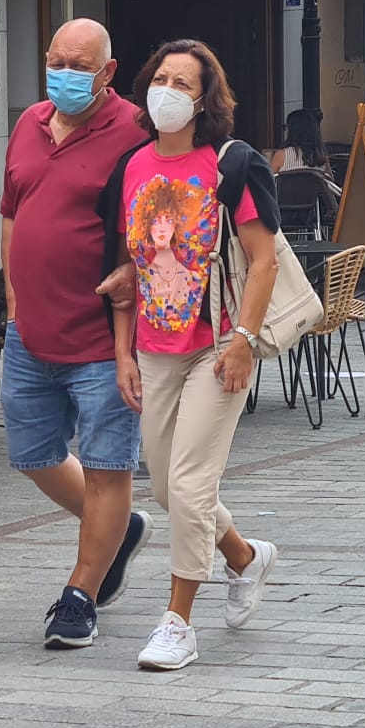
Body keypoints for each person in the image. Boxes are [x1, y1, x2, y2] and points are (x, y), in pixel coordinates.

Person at [109, 39, 281, 672]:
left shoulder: (229, 164)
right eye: (161, 78)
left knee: (188, 485)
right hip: (154, 347)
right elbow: (129, 266)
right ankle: (243, 556)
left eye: (184, 84)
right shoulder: (130, 167)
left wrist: (244, 342)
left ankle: (178, 621)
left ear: (206, 98)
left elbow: (262, 259)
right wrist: (122, 350)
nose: (168, 92)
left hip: (217, 344)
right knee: (163, 486)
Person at [0, 17, 153, 652]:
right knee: (33, 455)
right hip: (29, 331)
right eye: (55, 61)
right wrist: (12, 297)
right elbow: (10, 210)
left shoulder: (136, 130)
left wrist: (132, 270)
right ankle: (121, 530)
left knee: (107, 466)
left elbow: (163, 224)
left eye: (78, 66)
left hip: (102, 337)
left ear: (107, 72)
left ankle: (80, 594)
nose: (62, 74)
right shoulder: (29, 122)